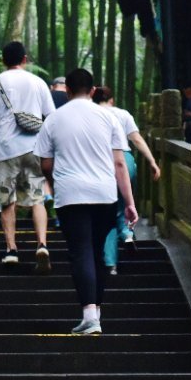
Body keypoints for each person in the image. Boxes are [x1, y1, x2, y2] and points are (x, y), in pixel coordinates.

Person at [34, 68, 138, 335]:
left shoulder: (54, 119)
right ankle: (96, 314)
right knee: (98, 251)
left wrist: (56, 182)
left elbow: (45, 163)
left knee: (80, 251)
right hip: (104, 194)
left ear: (67, 90)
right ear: (92, 91)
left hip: (70, 195)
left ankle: (90, 316)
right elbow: (119, 163)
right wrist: (129, 202)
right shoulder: (108, 117)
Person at [0, 42, 57, 270]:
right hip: (34, 148)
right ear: (25, 59)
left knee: (7, 201)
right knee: (37, 198)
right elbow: (51, 118)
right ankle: (42, 244)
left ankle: (11, 249)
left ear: (3, 60)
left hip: (5, 151)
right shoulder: (38, 82)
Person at [93, 85, 159, 274]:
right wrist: (152, 161)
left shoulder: (92, 114)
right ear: (112, 99)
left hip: (103, 163)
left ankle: (110, 264)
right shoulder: (123, 114)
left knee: (108, 214)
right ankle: (128, 233)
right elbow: (137, 140)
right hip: (126, 161)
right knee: (124, 205)